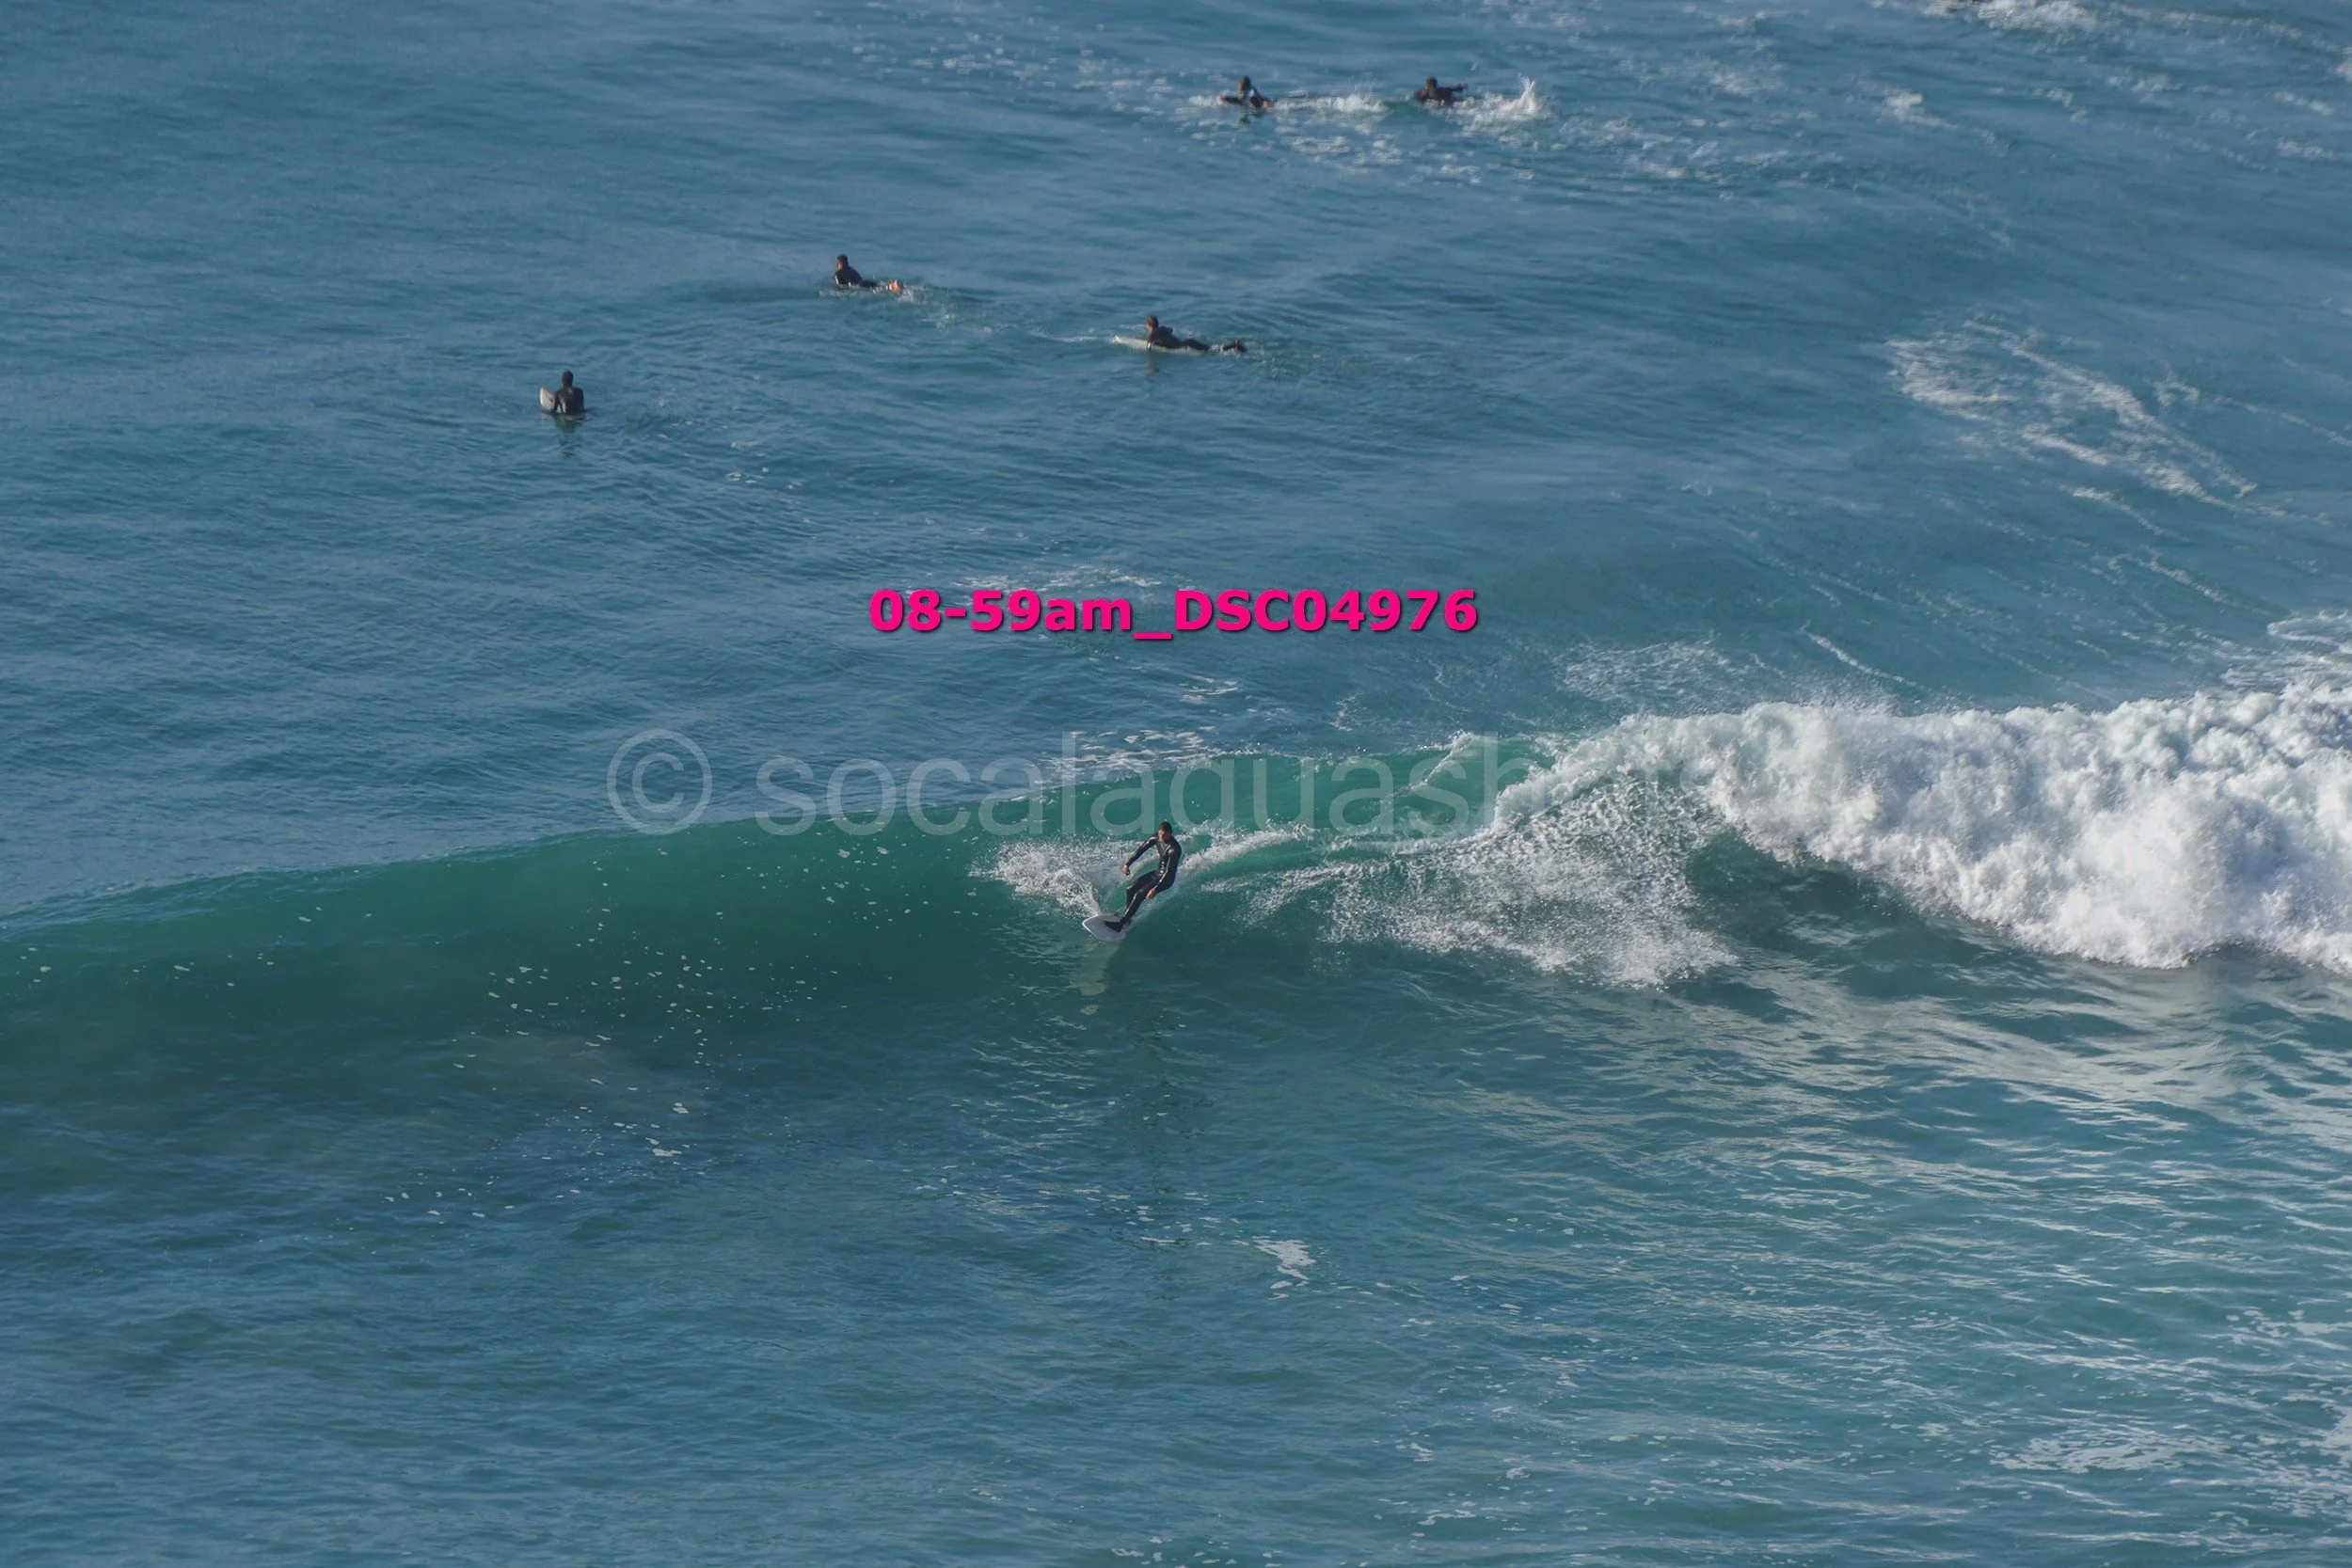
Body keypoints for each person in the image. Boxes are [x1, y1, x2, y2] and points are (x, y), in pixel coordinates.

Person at [1109, 822, 1184, 932]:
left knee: (1139, 894)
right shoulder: (1157, 838)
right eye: (1160, 834)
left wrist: (1155, 889)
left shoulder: (1175, 849)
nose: (1161, 837)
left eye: (1164, 835)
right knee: (1130, 889)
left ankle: (1120, 924)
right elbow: (1141, 850)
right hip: (1158, 873)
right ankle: (1128, 918)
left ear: (1170, 834)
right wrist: (1127, 864)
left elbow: (1169, 872)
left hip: (1167, 879)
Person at [1143, 315, 1247, 355]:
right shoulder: (1163, 329)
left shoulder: (1152, 335)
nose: (1146, 328)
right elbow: (1170, 330)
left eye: (1147, 326)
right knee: (1213, 349)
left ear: (1150, 325)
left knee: (1213, 352)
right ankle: (1234, 345)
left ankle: (1234, 345)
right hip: (1188, 341)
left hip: (1186, 346)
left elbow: (1148, 348)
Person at [834, 255, 905, 293]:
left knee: (880, 289)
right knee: (880, 287)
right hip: (865, 282)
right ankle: (892, 285)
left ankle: (893, 287)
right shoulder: (852, 270)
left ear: (838, 263)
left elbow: (840, 286)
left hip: (860, 286)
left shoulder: (838, 273)